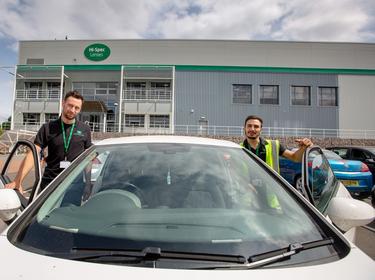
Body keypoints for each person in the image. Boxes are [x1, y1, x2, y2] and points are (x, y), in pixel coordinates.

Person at [5, 90, 92, 193]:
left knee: (70, 209)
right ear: (63, 103)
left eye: (77, 108)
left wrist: (88, 183)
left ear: (80, 109)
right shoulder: (47, 128)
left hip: (74, 183)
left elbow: (89, 158)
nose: (73, 110)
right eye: (70, 105)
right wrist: (17, 181)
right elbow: (33, 153)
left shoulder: (85, 129)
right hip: (50, 182)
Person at [241, 115, 313, 173]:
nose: (252, 129)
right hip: (247, 189)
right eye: (249, 126)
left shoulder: (274, 145)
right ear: (244, 128)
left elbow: (295, 158)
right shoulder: (238, 148)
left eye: (256, 126)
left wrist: (303, 148)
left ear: (261, 130)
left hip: (270, 188)